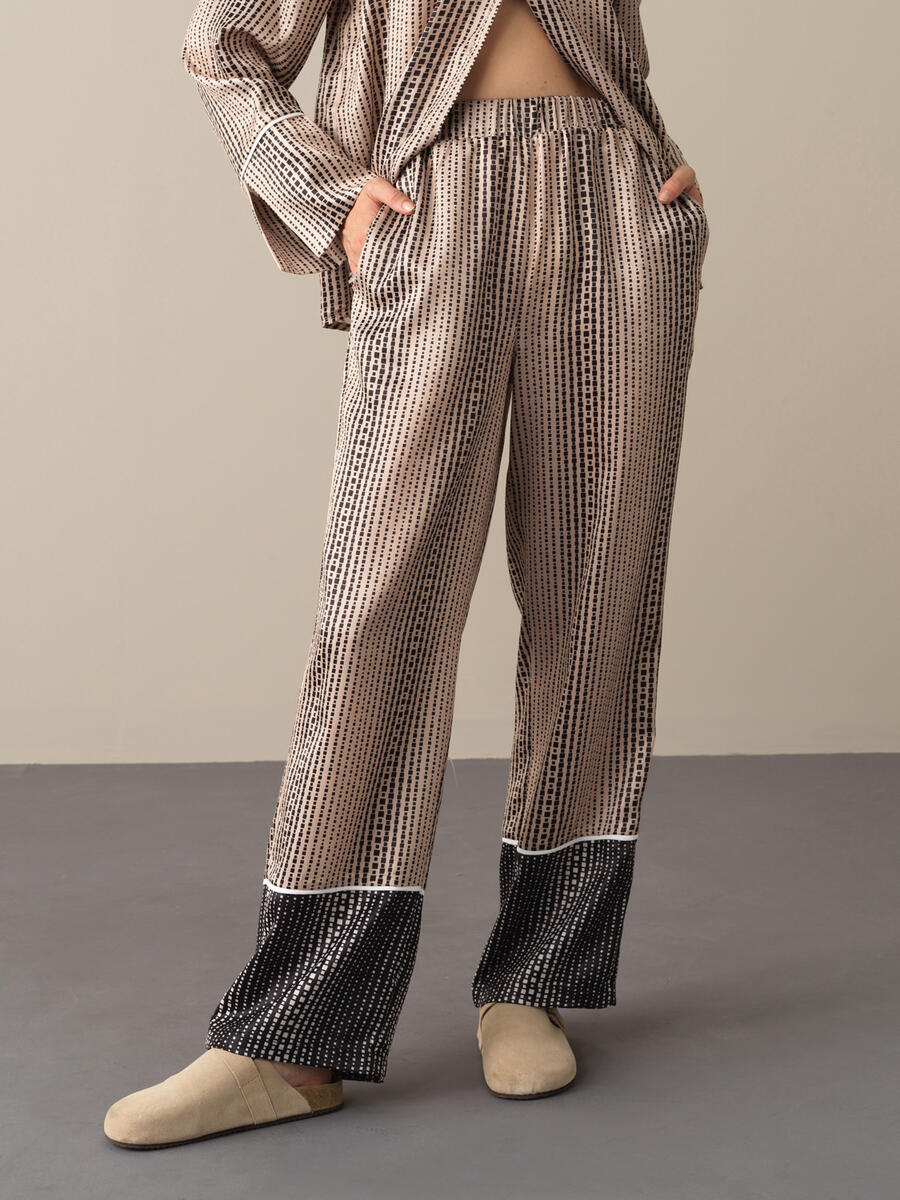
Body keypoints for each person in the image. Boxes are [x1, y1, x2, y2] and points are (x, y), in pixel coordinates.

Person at [104, 0, 708, 1149]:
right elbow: (222, 40)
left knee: (598, 604)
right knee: (377, 613)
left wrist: (655, 160)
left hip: (615, 202)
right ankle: (294, 1037)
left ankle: (534, 978)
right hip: (436, 203)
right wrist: (331, 200)